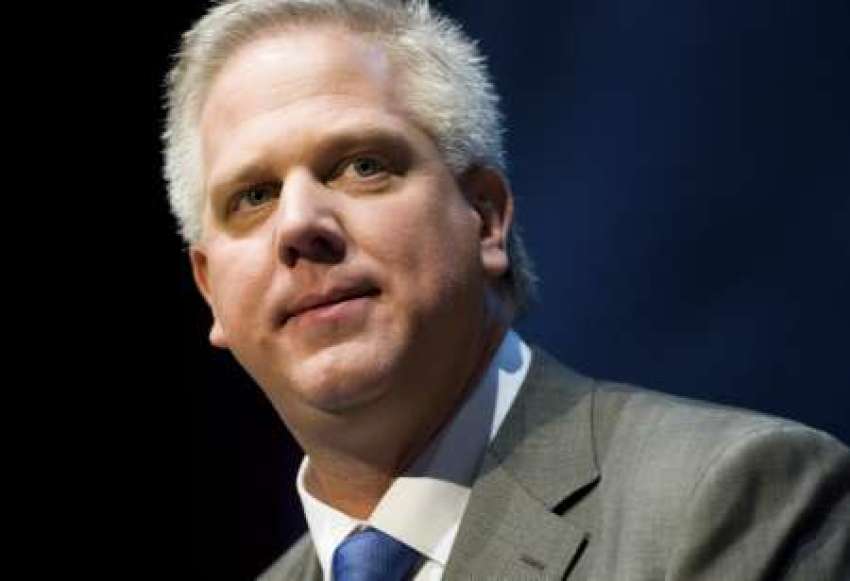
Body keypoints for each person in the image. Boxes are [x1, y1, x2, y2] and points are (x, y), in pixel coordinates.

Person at [164, 1, 850, 579]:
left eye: (361, 165)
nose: (300, 223)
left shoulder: (729, 497)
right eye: (253, 196)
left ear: (485, 217)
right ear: (209, 289)